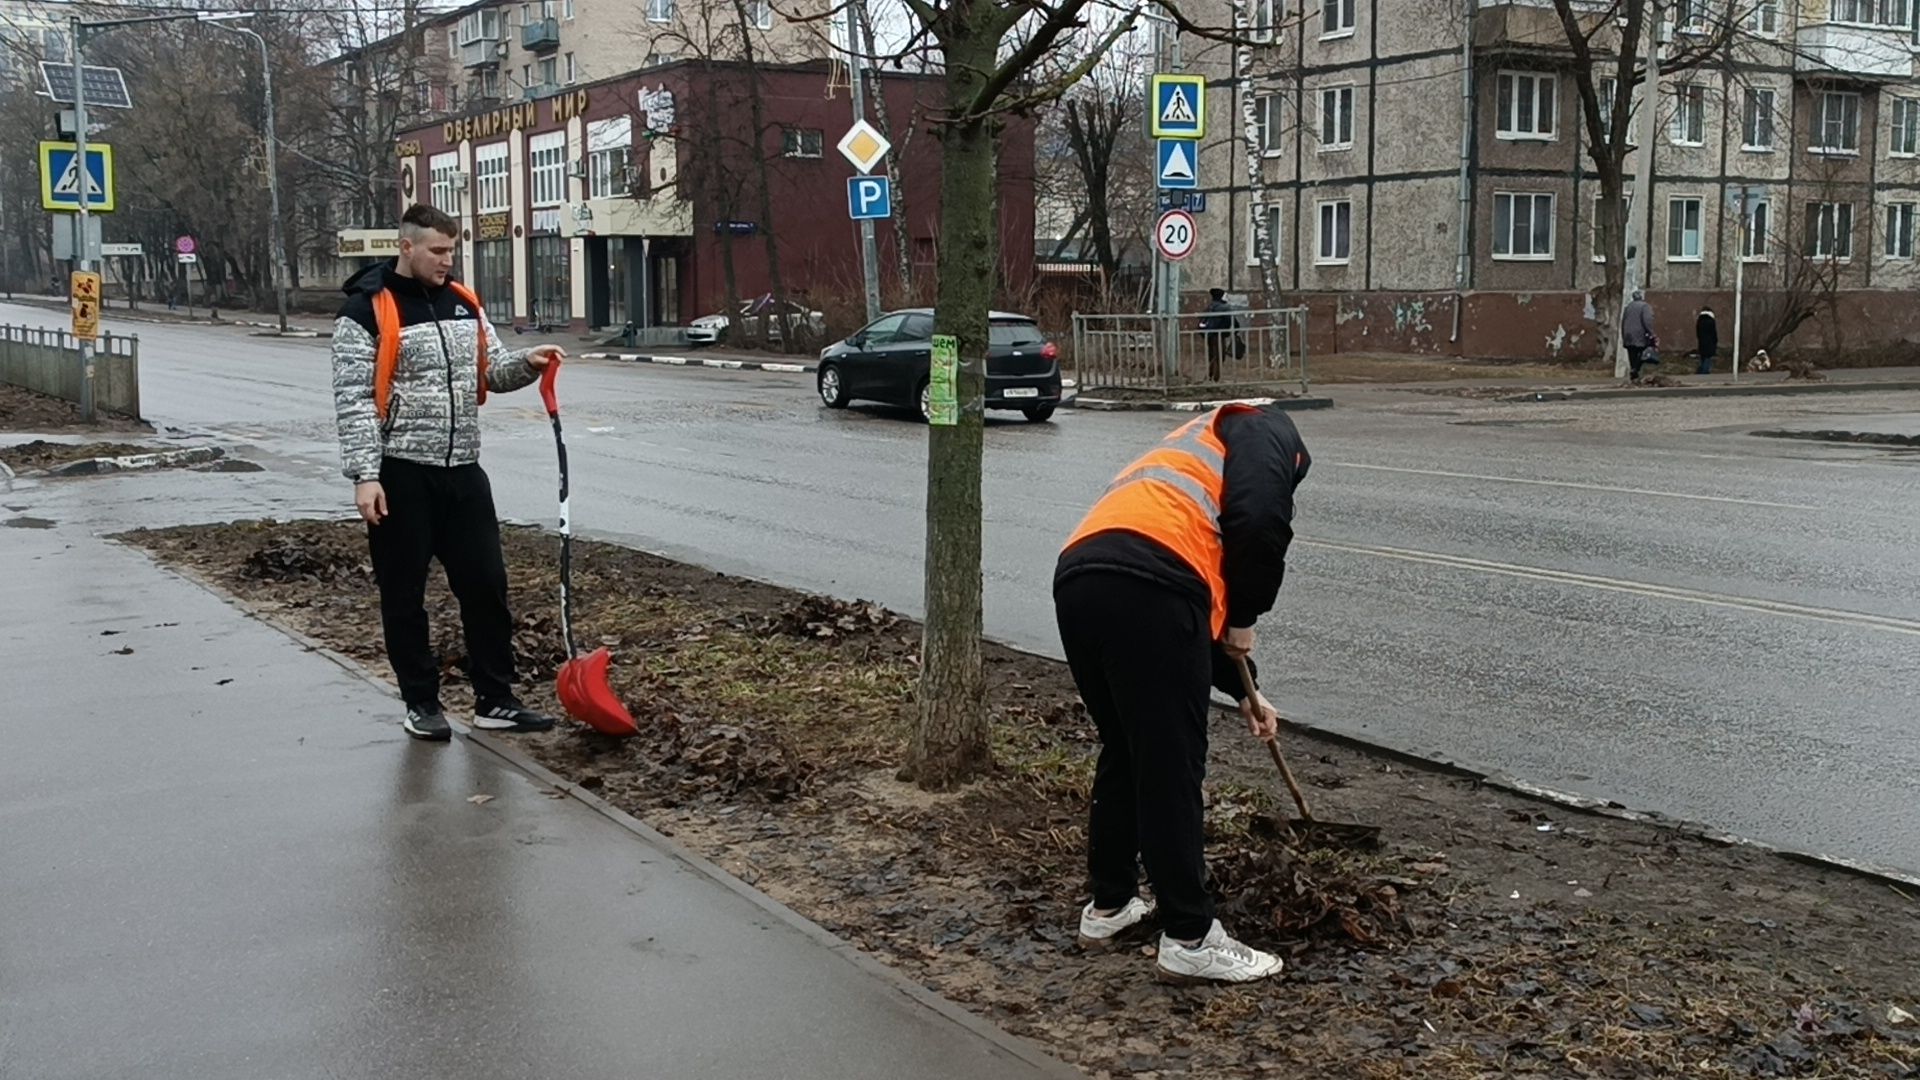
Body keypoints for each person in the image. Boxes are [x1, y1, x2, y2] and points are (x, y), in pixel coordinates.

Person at [1055, 403, 1311, 984]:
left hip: (1082, 578)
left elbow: (1188, 599)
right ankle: (1191, 938)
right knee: (1171, 765)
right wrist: (1245, 615)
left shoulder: (1193, 440)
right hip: (1152, 585)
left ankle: (1111, 906)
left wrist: (1247, 692)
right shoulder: (1270, 429)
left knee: (1126, 747)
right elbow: (1259, 522)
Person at [331, 203, 566, 742]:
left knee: (486, 586)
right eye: (438, 251)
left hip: (464, 471)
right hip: (400, 475)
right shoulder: (365, 312)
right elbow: (354, 402)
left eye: (452, 250)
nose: (447, 260)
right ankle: (421, 702)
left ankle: (495, 700)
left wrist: (528, 363)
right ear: (406, 247)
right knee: (404, 594)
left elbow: (493, 370)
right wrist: (366, 475)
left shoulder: (463, 304)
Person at [1621, 290, 1658, 383]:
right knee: (1642, 353)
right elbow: (1647, 321)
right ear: (1642, 297)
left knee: (1632, 354)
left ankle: (1634, 373)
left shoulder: (1628, 307)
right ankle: (1636, 370)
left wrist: (1623, 335)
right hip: (1639, 334)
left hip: (1628, 335)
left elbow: (1623, 321)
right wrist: (1652, 333)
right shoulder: (1645, 306)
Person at [1199, 288, 1234, 381]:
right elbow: (1230, 321)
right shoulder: (1224, 308)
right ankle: (1215, 378)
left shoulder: (1210, 307)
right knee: (1219, 356)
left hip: (1209, 335)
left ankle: (1210, 376)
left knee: (1213, 355)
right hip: (1219, 335)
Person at [1696, 304, 1719, 376]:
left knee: (1703, 356)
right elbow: (1713, 333)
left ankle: (1701, 369)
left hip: (1701, 342)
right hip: (1710, 342)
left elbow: (1698, 333)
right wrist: (1715, 341)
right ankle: (1704, 372)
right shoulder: (1711, 321)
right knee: (1708, 357)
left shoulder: (1699, 321)